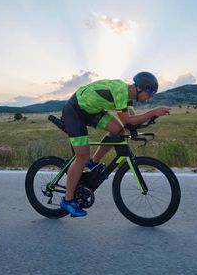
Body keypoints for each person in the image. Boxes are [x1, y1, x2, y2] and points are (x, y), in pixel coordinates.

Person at [59, 71, 170, 217]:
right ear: (140, 88)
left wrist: (146, 121)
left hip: (91, 111)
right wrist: (152, 112)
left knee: (117, 129)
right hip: (75, 110)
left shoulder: (128, 97)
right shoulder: (121, 91)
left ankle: (93, 162)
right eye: (151, 93)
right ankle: (68, 200)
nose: (150, 97)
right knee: (81, 157)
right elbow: (127, 120)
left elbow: (132, 119)